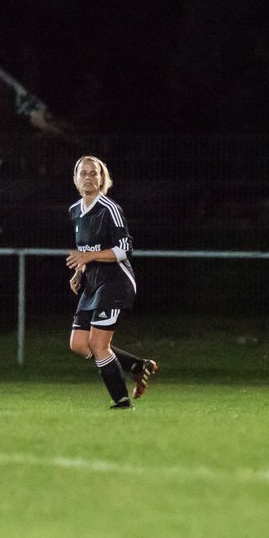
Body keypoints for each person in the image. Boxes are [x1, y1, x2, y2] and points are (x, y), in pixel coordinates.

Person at [65, 155, 158, 409]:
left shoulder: (109, 208)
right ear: (75, 179)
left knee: (98, 344)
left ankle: (122, 402)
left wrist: (89, 256)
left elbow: (125, 248)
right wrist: (79, 270)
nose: (88, 177)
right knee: (79, 344)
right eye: (83, 173)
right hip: (94, 283)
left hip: (116, 282)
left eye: (94, 173)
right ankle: (138, 366)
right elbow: (85, 249)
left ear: (102, 178)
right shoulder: (75, 211)